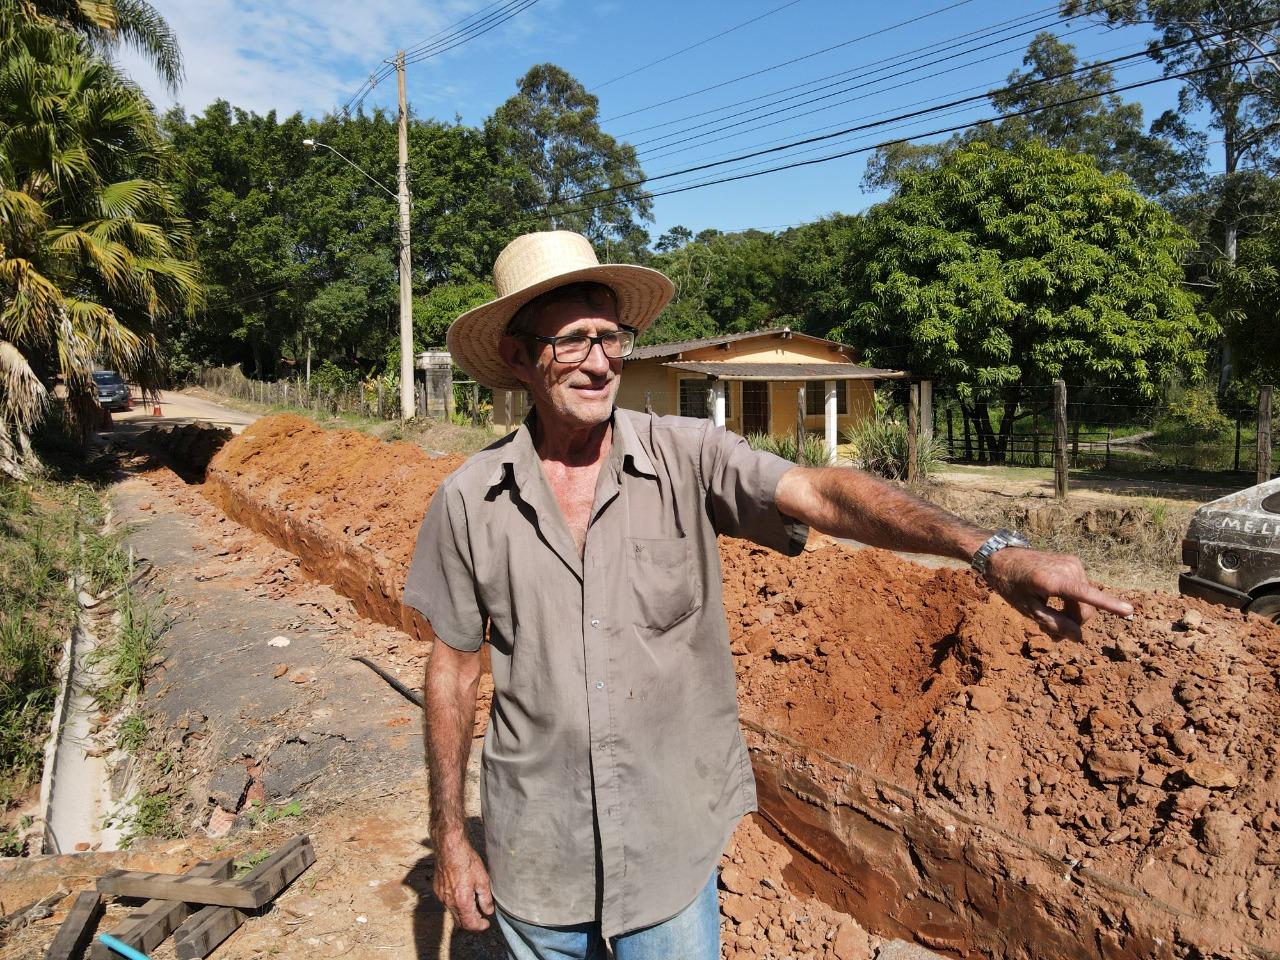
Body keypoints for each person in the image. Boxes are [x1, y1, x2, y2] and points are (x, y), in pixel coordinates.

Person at [403, 230, 1133, 960]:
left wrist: (988, 550)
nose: (600, 362)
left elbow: (822, 491)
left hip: (667, 855)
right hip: (538, 858)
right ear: (517, 357)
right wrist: (450, 835)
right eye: (571, 342)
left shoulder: (686, 455)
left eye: (612, 337)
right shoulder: (471, 501)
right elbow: (455, 669)